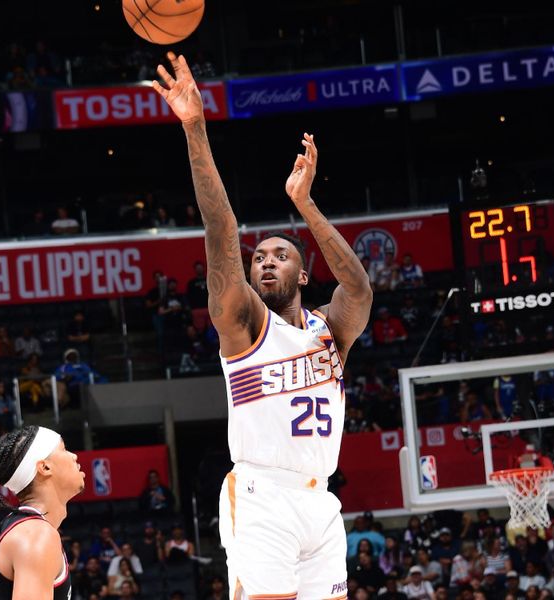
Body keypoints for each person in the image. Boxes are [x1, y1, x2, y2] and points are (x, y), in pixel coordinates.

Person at [154, 51, 372, 597]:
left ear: (303, 275)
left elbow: (360, 289)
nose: (266, 261)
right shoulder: (245, 324)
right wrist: (195, 128)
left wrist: (305, 202)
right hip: (261, 496)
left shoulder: (331, 333)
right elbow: (221, 229)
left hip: (321, 501)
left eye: (281, 255)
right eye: (260, 258)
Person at [0, 425, 84, 599]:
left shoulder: (16, 529)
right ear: (44, 467)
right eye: (64, 449)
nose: (74, 456)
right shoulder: (35, 534)